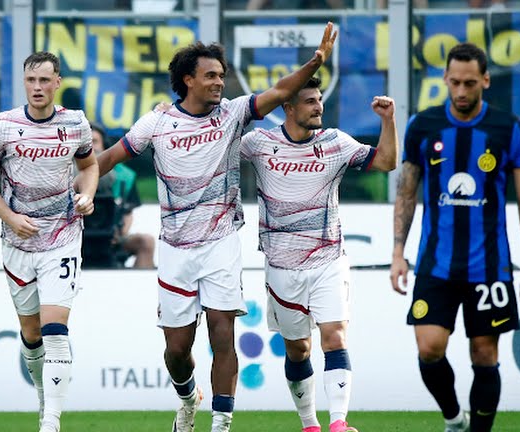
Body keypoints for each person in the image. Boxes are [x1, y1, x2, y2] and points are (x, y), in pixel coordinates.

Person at [79, 22, 337, 432]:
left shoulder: (233, 114)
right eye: (211, 75)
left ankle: (221, 424)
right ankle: (187, 399)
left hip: (221, 242)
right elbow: (107, 159)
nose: (219, 82)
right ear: (188, 80)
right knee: (177, 351)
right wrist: (76, 186)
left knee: (222, 330)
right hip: (176, 249)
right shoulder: (157, 123)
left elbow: (280, 92)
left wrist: (315, 61)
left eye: (221, 75)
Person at [389, 42, 520, 432]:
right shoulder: (423, 126)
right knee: (428, 348)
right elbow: (407, 192)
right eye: (454, 82)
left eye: (470, 83)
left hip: (488, 266)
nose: (460, 91)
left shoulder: (507, 128)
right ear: (444, 78)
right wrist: (397, 253)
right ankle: (453, 417)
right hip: (435, 264)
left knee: (484, 354)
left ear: (486, 81)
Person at [240, 77, 398, 432]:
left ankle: (339, 423)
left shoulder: (335, 143)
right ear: (288, 107)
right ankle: (309, 423)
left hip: (329, 258)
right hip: (281, 266)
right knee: (298, 349)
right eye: (310, 101)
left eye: (319, 101)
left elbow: (387, 161)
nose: (318, 107)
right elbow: (216, 147)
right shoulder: (259, 143)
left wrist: (388, 120)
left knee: (335, 336)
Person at [0, 51, 99, 432]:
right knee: (31, 335)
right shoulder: (3, 126)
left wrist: (87, 195)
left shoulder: (75, 123)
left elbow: (89, 166)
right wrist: (10, 217)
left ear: (58, 82)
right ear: (24, 83)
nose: (38, 88)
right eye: (32, 81)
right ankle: (44, 400)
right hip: (17, 241)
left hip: (62, 235)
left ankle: (52, 421)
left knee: (55, 329)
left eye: (45, 80)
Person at [84, 122, 155, 269]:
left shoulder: (126, 176)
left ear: (105, 145)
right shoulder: (65, 172)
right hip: (73, 239)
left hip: (111, 237)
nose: (90, 147)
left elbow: (128, 212)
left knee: (146, 242)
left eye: (95, 142)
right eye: (85, 142)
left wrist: (120, 233)